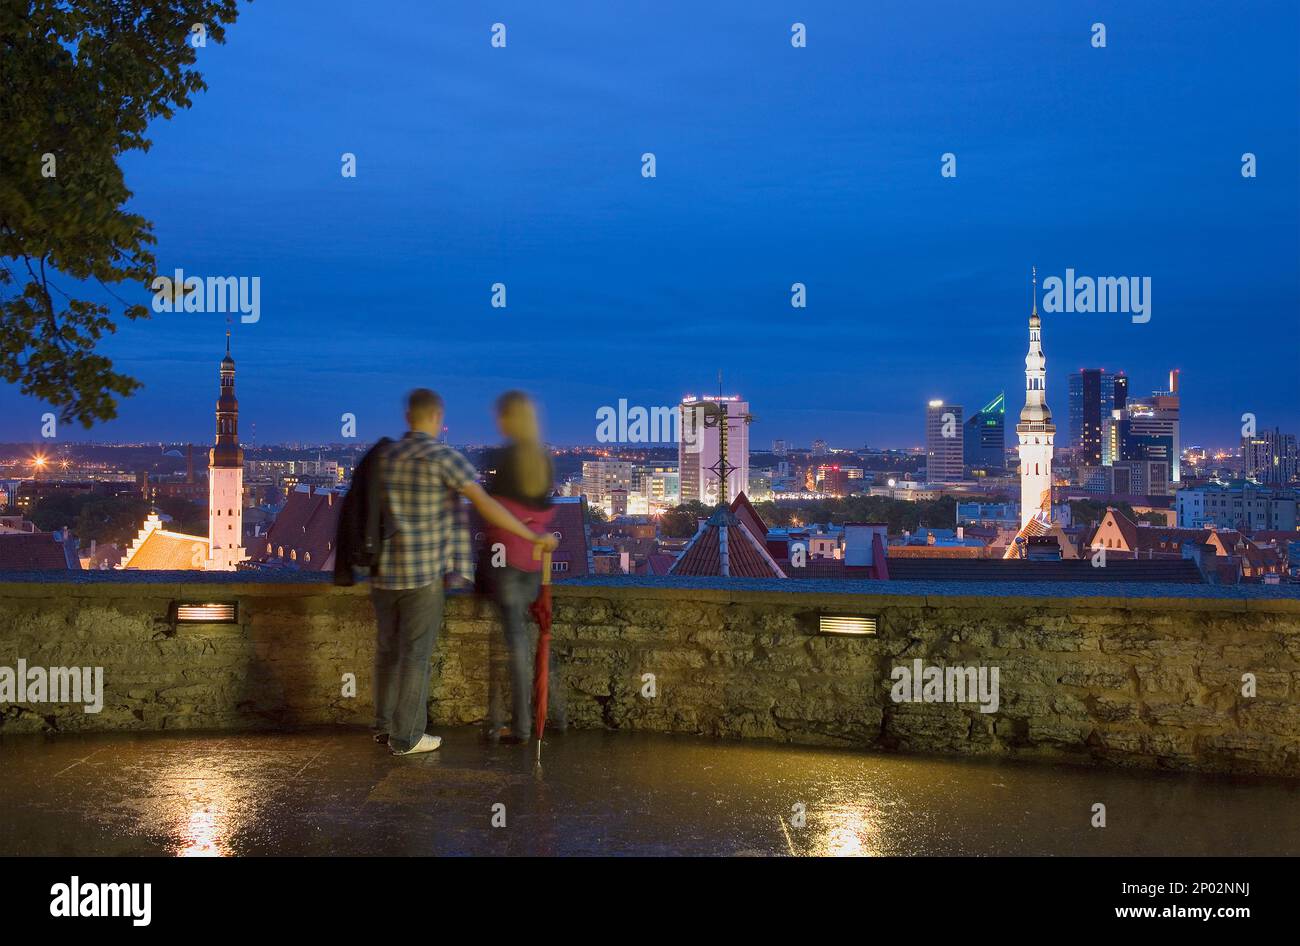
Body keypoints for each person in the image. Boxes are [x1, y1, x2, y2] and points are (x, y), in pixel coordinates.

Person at [372, 388, 557, 756]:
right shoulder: (444, 458)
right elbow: (485, 505)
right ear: (436, 417)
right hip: (427, 571)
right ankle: (407, 736)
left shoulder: (386, 455)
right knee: (415, 654)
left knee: (387, 651)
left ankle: (384, 726)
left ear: (408, 415)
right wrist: (531, 534)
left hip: (383, 571)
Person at [482, 391, 560, 745]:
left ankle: (521, 726)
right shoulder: (542, 459)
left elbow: (488, 508)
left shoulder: (503, 458)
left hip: (505, 561)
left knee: (514, 644)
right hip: (533, 560)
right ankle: (554, 714)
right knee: (537, 638)